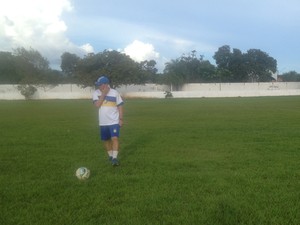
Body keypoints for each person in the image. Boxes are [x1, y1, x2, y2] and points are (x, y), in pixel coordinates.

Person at [92, 75, 124, 166]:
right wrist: (103, 94)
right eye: (98, 84)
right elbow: (97, 105)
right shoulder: (96, 93)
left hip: (114, 121)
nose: (99, 86)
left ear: (106, 85)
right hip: (103, 122)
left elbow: (120, 106)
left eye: (100, 84)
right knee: (106, 140)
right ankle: (110, 156)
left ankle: (114, 158)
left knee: (115, 138)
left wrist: (121, 119)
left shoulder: (115, 93)